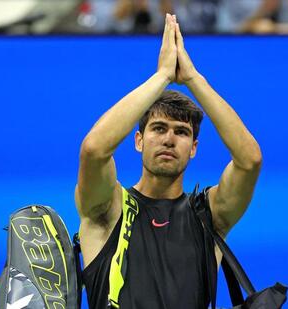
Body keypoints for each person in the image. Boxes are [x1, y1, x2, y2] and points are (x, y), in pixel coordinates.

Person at [75, 13, 262, 308]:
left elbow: (249, 160)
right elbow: (94, 149)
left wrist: (193, 79)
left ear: (193, 148)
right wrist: (162, 76)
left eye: (182, 132)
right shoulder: (107, 210)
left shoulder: (209, 217)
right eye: (159, 128)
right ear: (138, 141)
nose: (169, 139)